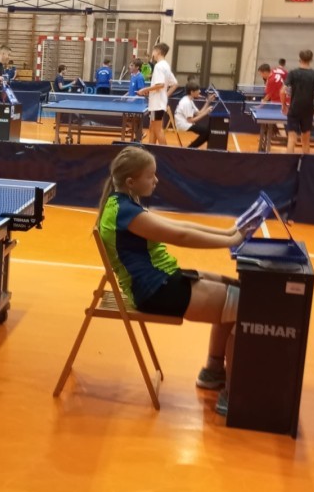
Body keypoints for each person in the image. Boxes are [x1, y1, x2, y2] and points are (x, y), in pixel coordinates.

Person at [97, 145, 243, 414]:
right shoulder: (125, 213)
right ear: (131, 182)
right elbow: (180, 237)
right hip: (155, 292)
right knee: (242, 306)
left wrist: (228, 233)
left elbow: (180, 226)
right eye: (150, 175)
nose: (156, 180)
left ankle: (213, 371)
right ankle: (233, 394)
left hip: (161, 280)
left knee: (235, 289)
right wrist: (230, 241)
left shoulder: (123, 204)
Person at [282, 49, 314, 154]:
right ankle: (306, 162)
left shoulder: (293, 73)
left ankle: (289, 162)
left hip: (294, 108)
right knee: (306, 139)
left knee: (292, 138)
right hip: (308, 109)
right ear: (311, 60)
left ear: (299, 59)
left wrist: (283, 105)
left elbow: (282, 91)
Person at [138, 42, 177, 144]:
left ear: (158, 52)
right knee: (152, 128)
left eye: (153, 51)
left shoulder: (159, 66)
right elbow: (175, 84)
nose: (152, 54)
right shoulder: (166, 65)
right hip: (159, 102)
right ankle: (150, 149)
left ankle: (164, 151)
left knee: (158, 130)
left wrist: (144, 90)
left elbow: (160, 85)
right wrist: (165, 96)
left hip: (157, 103)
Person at [174, 81, 217, 148]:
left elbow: (198, 113)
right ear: (192, 92)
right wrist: (206, 113)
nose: (200, 91)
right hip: (183, 125)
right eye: (198, 90)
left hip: (187, 123)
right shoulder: (186, 102)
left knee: (207, 131)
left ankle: (192, 148)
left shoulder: (189, 100)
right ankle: (190, 148)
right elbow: (190, 120)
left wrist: (208, 102)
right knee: (207, 132)